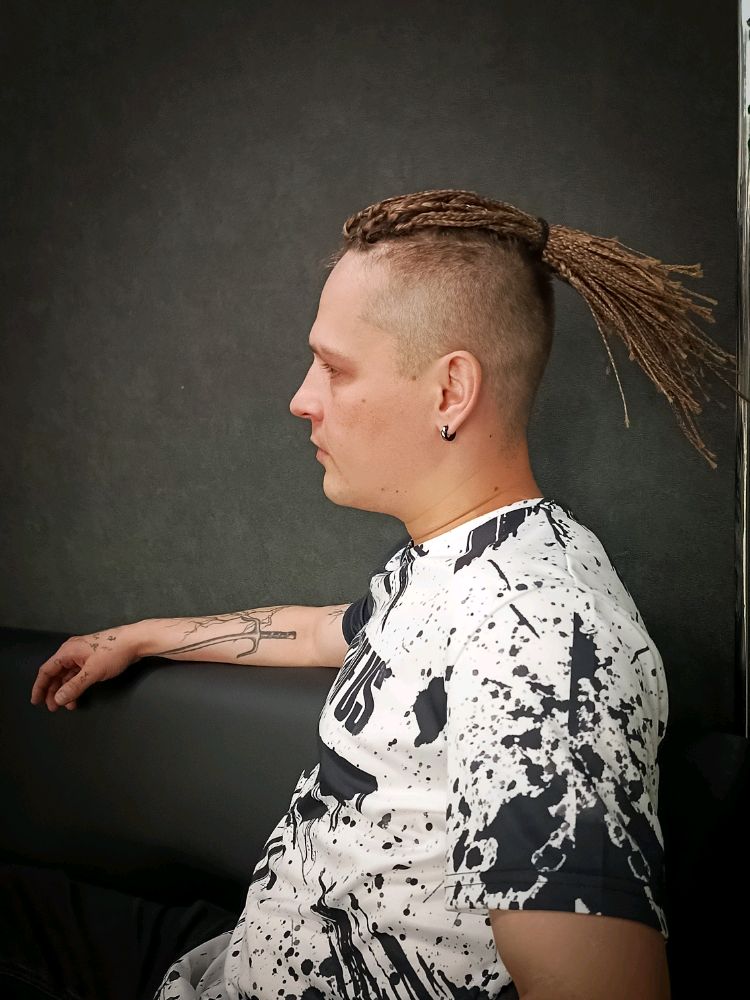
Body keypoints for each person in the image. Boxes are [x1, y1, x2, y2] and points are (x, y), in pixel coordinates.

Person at [9, 188, 746, 1000]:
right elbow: (323, 632)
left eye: (334, 367)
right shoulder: (455, 560)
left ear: (449, 392)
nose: (302, 398)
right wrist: (140, 637)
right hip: (228, 961)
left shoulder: (543, 642)